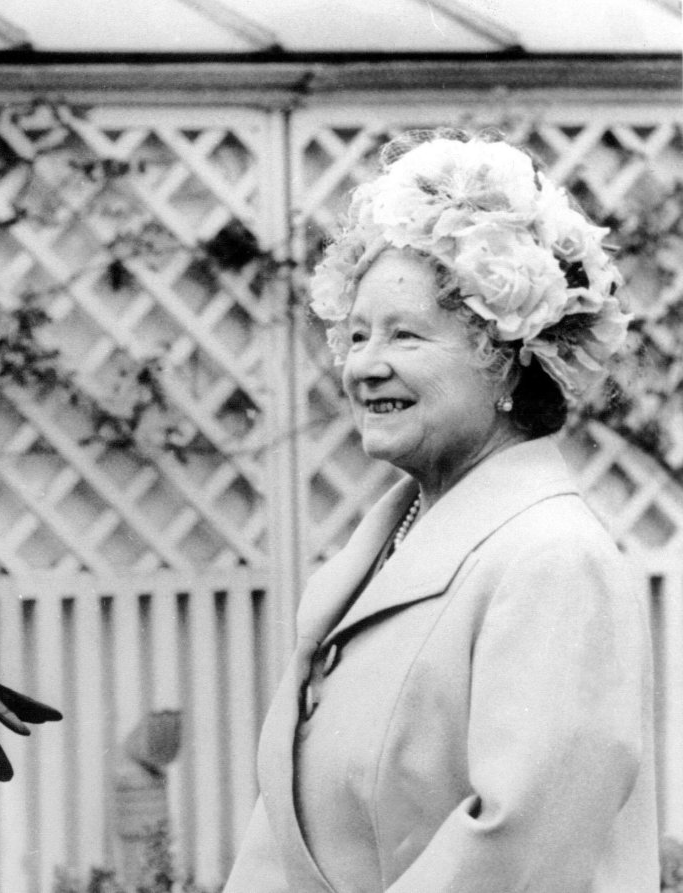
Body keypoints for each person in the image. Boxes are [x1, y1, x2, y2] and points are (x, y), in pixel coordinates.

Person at [224, 130, 656, 892]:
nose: (364, 364)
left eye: (405, 335)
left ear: (505, 356)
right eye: (356, 334)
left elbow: (518, 852)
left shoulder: (554, 562)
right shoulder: (375, 552)